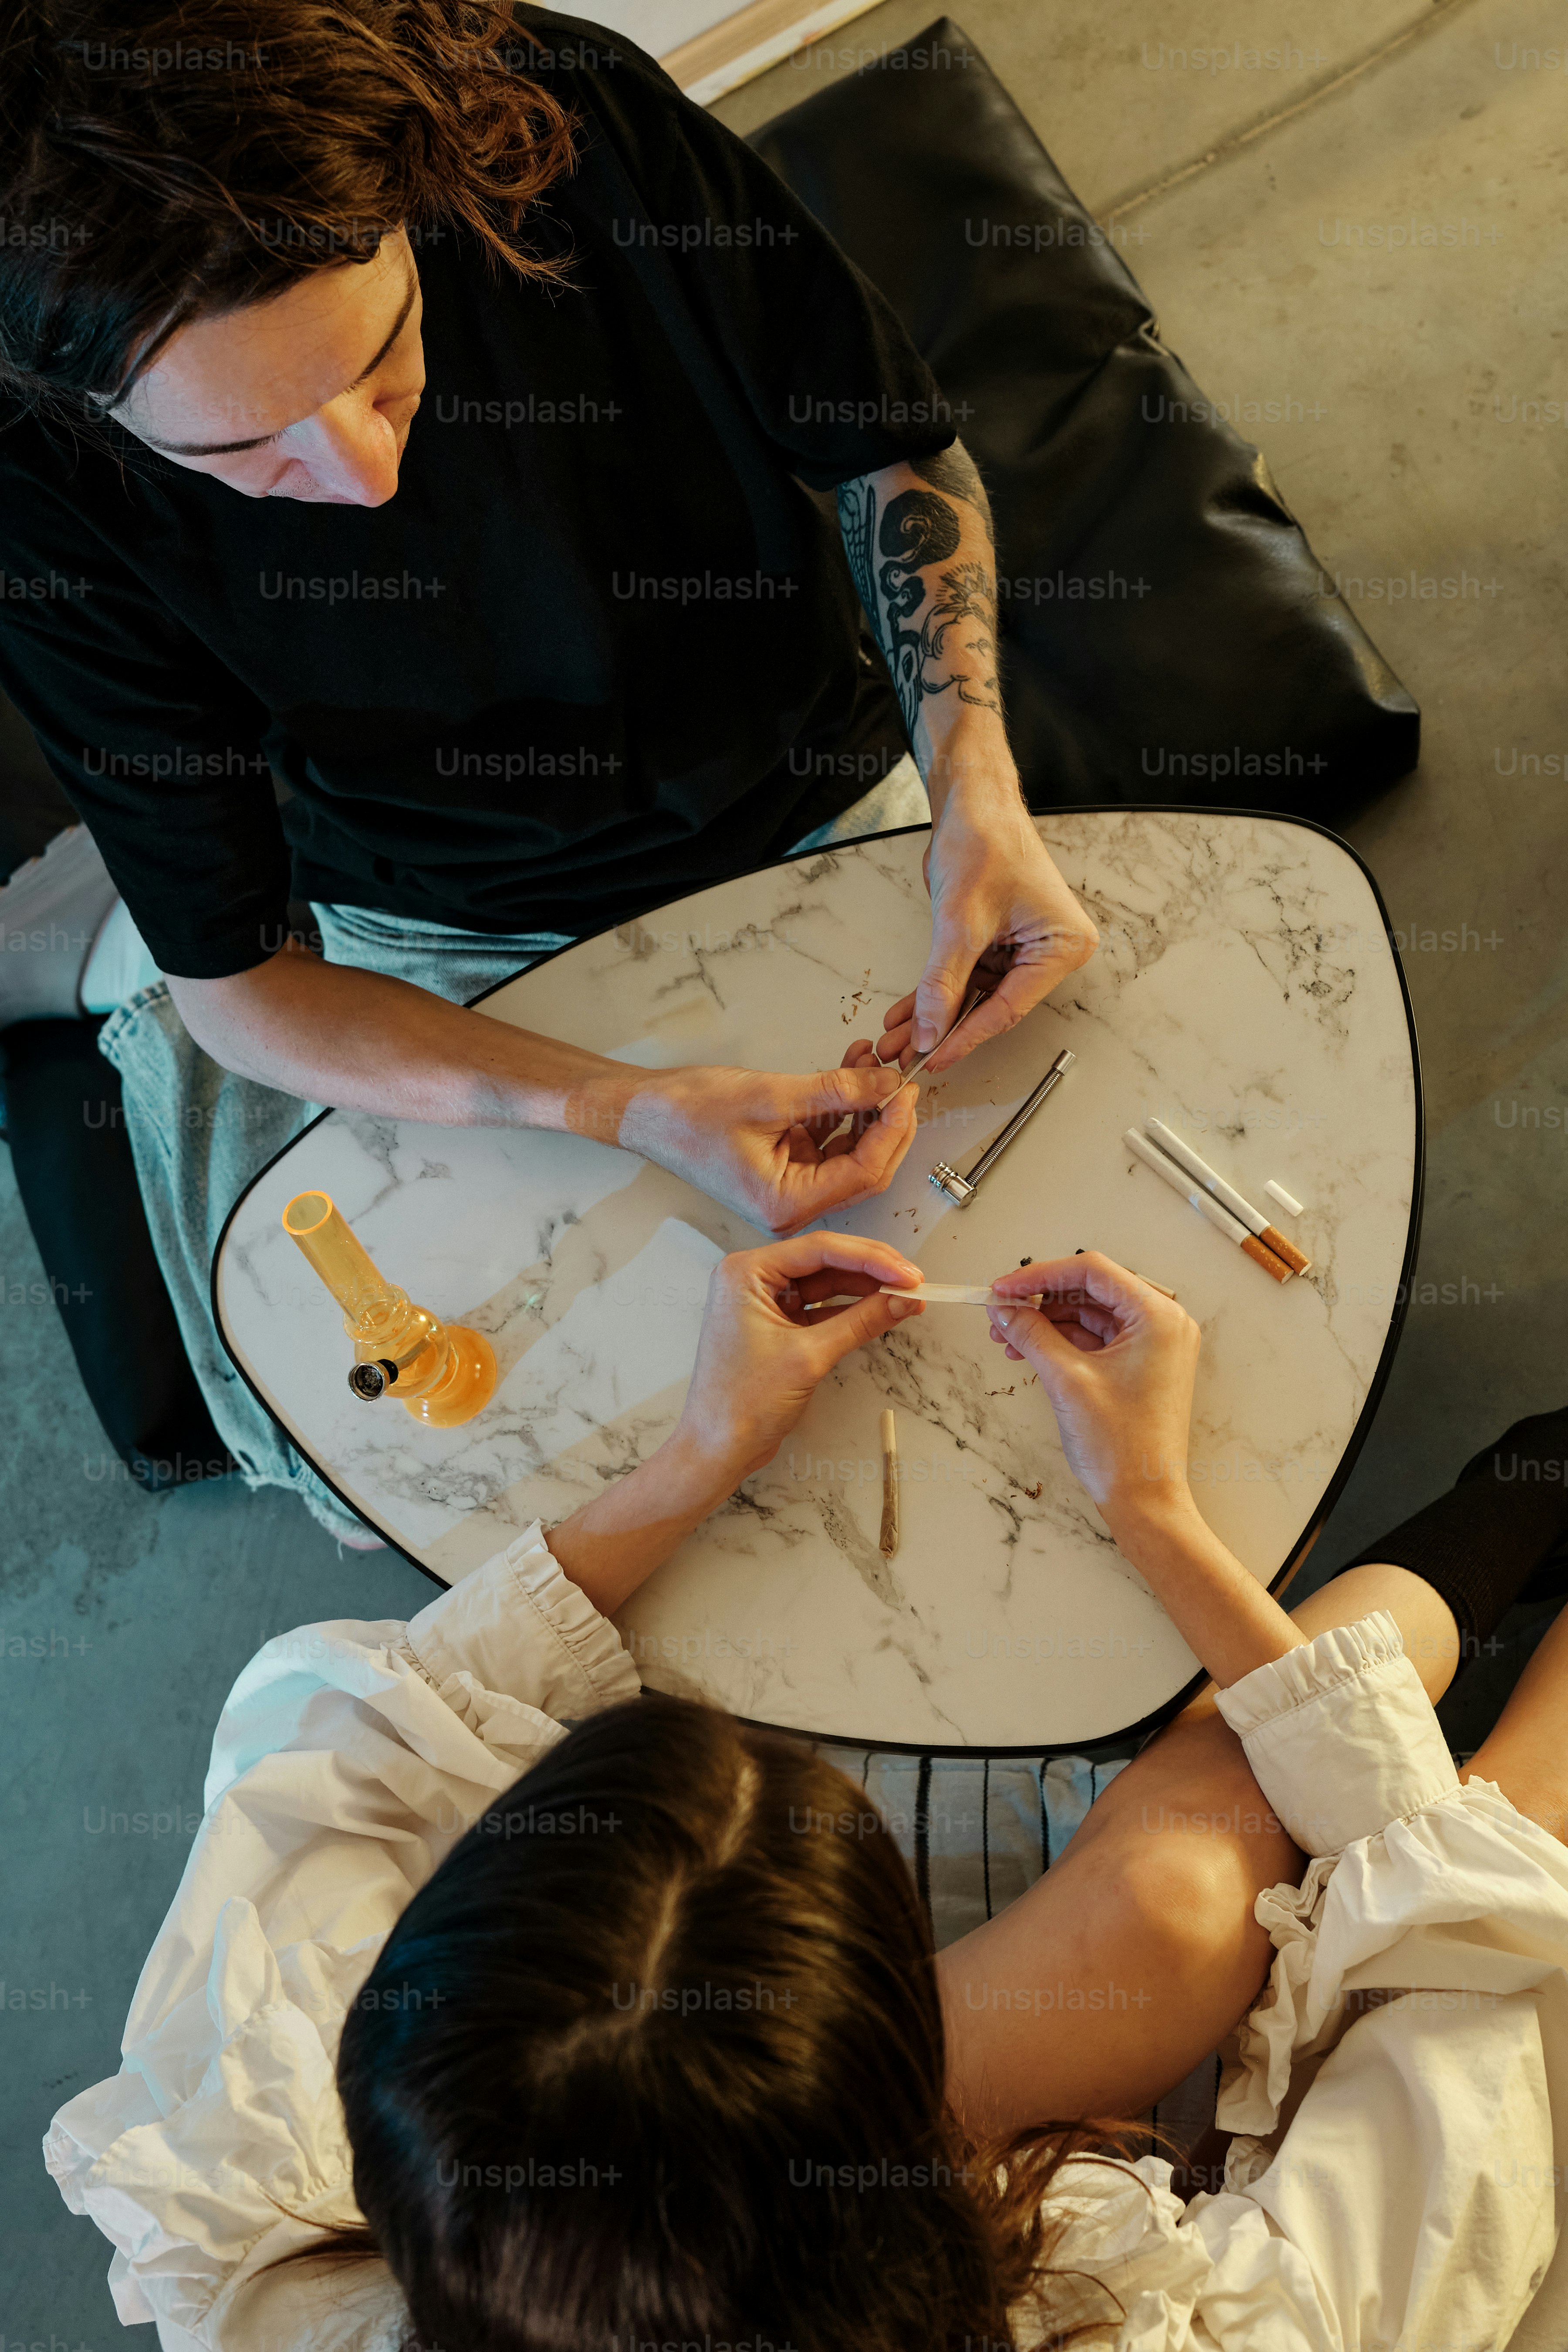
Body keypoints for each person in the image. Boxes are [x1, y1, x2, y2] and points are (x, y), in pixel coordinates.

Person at [47, 1241, 1568, 2351]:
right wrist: (1163, 1523)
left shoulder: (262, 2194)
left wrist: (705, 1448)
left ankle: (1516, 1507)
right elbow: (1468, 1975)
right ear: (908, 2111)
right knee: (1492, 1839)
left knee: (1181, 1892)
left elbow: (366, 1747)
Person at [0, 0, 1096, 1538]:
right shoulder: (33, 475)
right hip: (428, 918)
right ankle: (85, 937)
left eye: (382, 362)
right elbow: (244, 986)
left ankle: (86, 928)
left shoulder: (553, 103)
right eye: (248, 461)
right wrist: (624, 1108)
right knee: (445, 1459)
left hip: (808, 790)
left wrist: (978, 790)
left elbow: (893, 452)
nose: (366, 475)